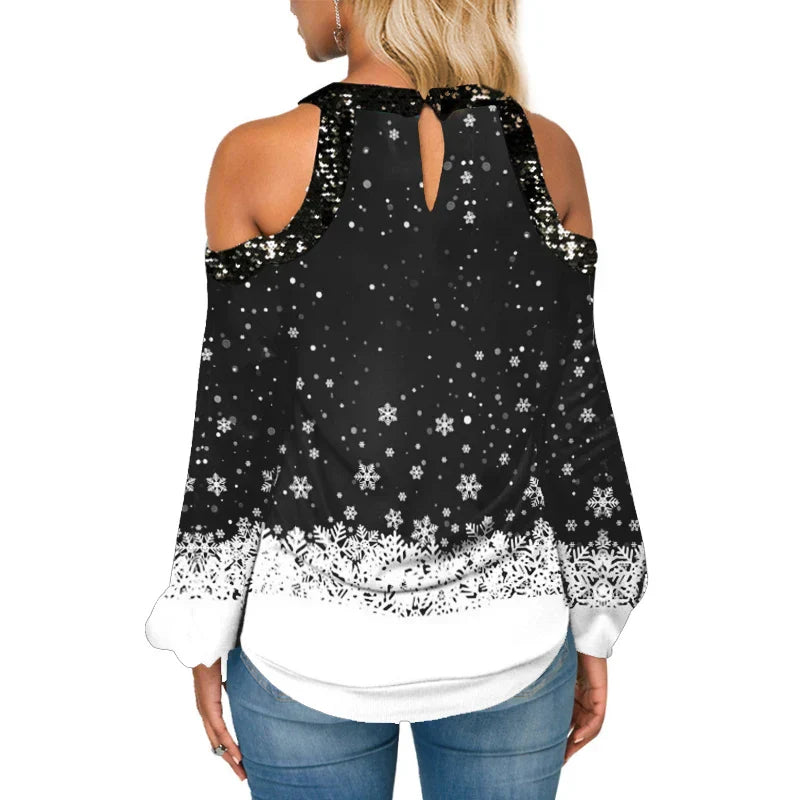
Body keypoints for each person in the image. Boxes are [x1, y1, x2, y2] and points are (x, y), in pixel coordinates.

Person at [145, 1, 648, 797]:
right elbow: (572, 408)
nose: (290, 2)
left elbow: (234, 426)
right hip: (510, 647)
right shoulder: (545, 153)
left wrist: (204, 633)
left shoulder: (254, 156)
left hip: (306, 650)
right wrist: (596, 624)